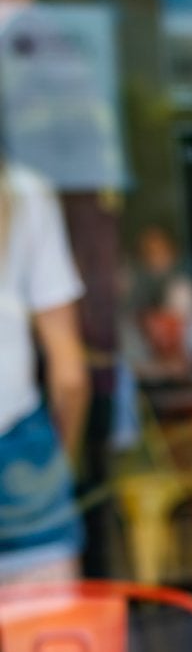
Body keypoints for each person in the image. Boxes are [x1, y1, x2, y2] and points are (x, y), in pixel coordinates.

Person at [0, 158, 89, 583]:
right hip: (19, 448)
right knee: (48, 644)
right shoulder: (23, 193)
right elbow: (69, 376)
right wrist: (59, 467)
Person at [122, 226, 192, 380]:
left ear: (173, 254)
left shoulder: (182, 290)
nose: (153, 261)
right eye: (146, 254)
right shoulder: (131, 298)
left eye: (159, 253)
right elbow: (130, 362)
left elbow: (188, 358)